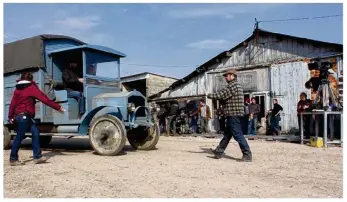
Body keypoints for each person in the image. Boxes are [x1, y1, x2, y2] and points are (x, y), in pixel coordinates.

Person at [8, 72, 65, 166]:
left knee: (35, 133)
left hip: (20, 116)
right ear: (31, 80)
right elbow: (44, 99)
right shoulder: (31, 88)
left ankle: (37, 157)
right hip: (24, 117)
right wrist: (58, 107)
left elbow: (12, 104)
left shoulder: (17, 90)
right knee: (19, 137)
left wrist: (10, 116)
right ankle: (13, 159)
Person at [207, 69, 252, 161]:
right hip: (234, 114)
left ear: (232, 76)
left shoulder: (233, 85)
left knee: (238, 135)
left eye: (227, 75)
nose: (225, 78)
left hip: (233, 114)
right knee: (227, 134)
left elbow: (222, 95)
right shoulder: (236, 85)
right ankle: (219, 151)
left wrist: (209, 95)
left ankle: (247, 154)